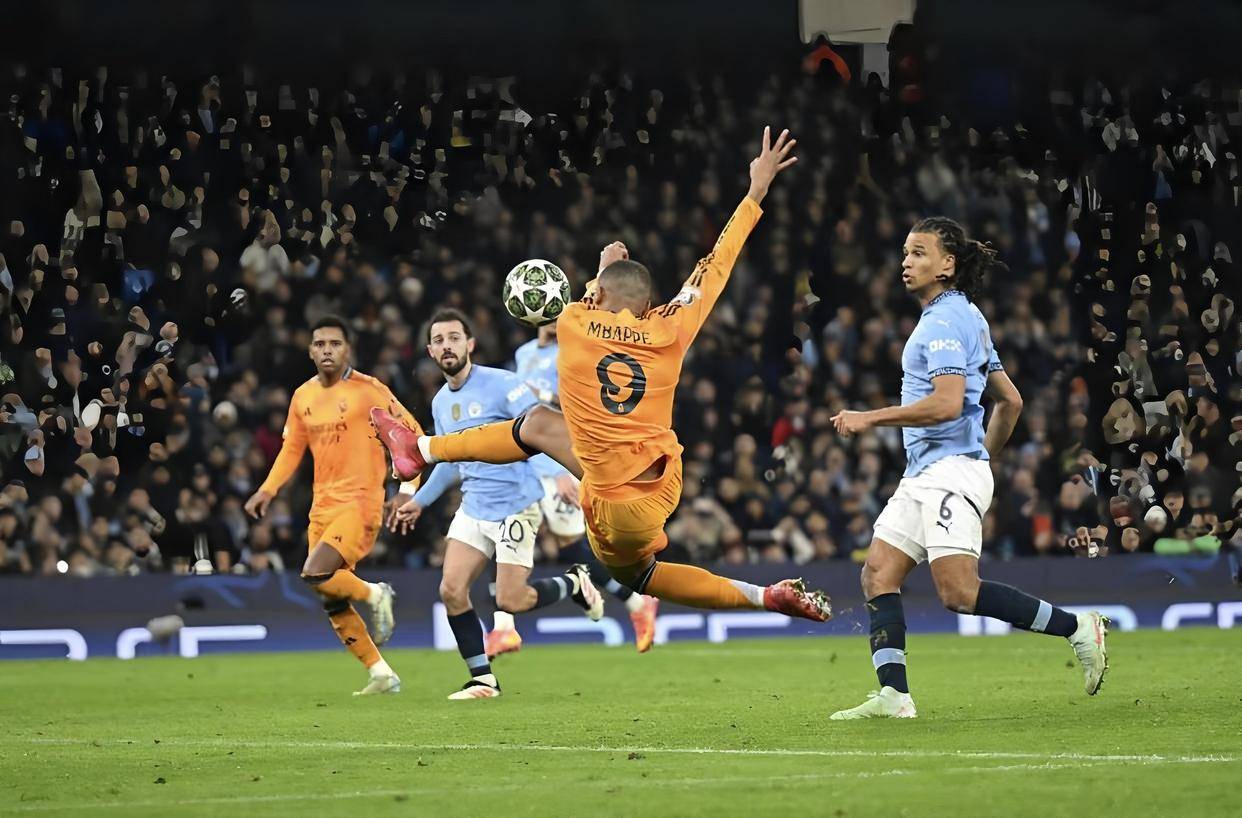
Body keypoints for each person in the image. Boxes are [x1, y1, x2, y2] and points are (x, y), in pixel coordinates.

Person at [376, 127, 831, 623]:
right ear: (649, 303)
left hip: (612, 500)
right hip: (663, 481)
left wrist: (600, 269)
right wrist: (755, 191)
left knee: (629, 562)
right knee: (540, 425)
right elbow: (716, 264)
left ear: (599, 294)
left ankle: (422, 449)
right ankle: (767, 596)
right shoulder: (671, 326)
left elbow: (589, 302)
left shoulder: (572, 323)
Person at [826, 218, 1109, 720]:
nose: (906, 262)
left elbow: (947, 403)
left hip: (946, 471)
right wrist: (983, 459)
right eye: (905, 253)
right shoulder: (967, 316)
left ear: (947, 264)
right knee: (878, 573)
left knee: (958, 592)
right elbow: (1010, 401)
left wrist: (870, 418)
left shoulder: (942, 323)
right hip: (930, 472)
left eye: (918, 253)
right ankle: (894, 695)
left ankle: (1078, 628)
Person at [392, 308, 604, 700]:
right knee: (451, 590)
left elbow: (541, 428)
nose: (447, 346)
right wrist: (420, 501)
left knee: (510, 599)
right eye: (438, 341)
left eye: (454, 338)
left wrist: (558, 471)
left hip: (516, 505)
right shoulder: (440, 403)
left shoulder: (504, 383)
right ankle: (483, 680)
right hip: (475, 506)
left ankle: (574, 583)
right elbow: (449, 461)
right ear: (430, 351)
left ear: (470, 344)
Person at [245, 315, 419, 696]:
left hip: (361, 501)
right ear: (310, 351)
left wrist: (408, 490)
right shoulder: (302, 396)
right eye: (320, 344)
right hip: (321, 506)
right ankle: (381, 673)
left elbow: (413, 435)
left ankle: (377, 594)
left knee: (315, 573)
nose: (327, 350)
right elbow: (292, 449)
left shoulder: (369, 391)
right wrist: (268, 490)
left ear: (347, 350)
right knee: (331, 597)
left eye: (335, 344)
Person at [508, 321, 660, 656]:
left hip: (557, 464)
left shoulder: (572, 353)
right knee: (517, 536)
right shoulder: (523, 353)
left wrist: (562, 470)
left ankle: (634, 600)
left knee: (573, 548)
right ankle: (504, 626)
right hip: (528, 464)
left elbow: (573, 409)